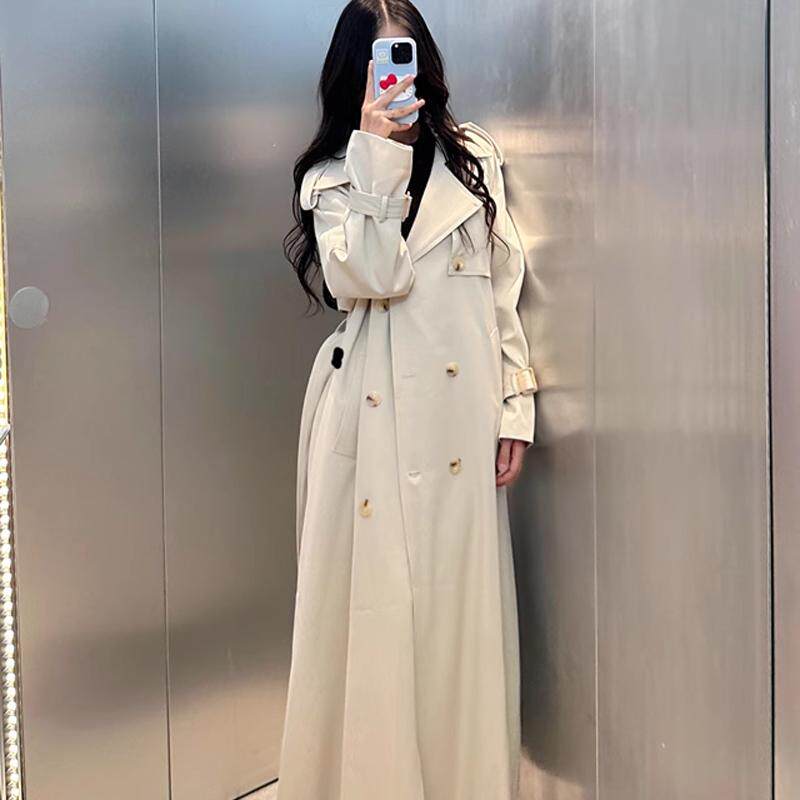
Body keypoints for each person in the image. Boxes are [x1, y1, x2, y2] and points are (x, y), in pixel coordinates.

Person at [280, 1, 539, 798]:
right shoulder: (332, 176)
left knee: (459, 628)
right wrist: (377, 156)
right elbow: (370, 277)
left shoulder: (474, 156)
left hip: (460, 422)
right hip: (372, 416)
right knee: (376, 623)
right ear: (354, 75)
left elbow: (503, 288)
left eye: (409, 54)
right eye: (381, 61)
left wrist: (515, 405)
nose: (399, 75)